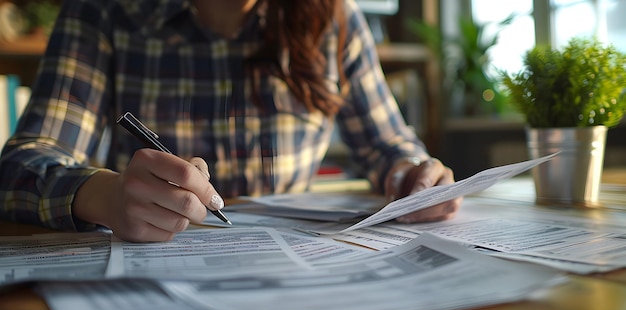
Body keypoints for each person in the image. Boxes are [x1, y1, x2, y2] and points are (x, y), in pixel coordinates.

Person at [0, 0, 461, 242]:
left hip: (297, 279)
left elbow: (390, 147)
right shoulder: (102, 13)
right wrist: (106, 196)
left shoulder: (334, 19)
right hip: (156, 267)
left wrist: (413, 176)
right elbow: (20, 167)